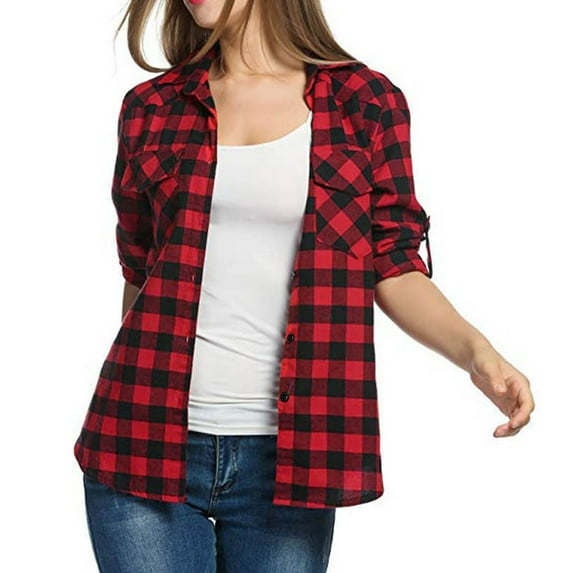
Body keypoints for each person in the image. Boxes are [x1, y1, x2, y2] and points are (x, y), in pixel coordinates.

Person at [73, 0, 536, 571]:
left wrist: (478, 354)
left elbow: (392, 264)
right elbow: (140, 271)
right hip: (142, 438)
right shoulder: (151, 107)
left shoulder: (365, 103)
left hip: (294, 457)